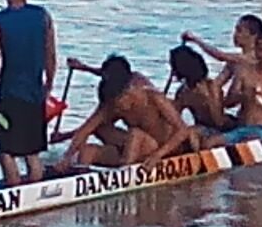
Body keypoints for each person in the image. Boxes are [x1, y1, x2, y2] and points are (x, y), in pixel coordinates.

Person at [0, 0, 56, 186]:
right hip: (34, 95)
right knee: (32, 153)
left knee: (6, 151)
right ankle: (36, 199)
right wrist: (49, 85)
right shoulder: (42, 16)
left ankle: (15, 195)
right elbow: (51, 56)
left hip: (9, 97)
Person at [59, 57, 196, 169]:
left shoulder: (153, 98)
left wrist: (158, 155)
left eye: (118, 105)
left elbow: (182, 130)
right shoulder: (112, 100)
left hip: (160, 148)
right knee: (90, 145)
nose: (117, 110)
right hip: (135, 149)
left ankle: (125, 171)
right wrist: (67, 156)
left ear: (126, 92)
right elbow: (85, 129)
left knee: (135, 134)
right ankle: (79, 172)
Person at [167, 44, 230, 131]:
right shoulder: (183, 91)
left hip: (223, 128)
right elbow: (175, 117)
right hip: (202, 129)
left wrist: (207, 98)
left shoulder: (211, 86)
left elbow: (218, 121)